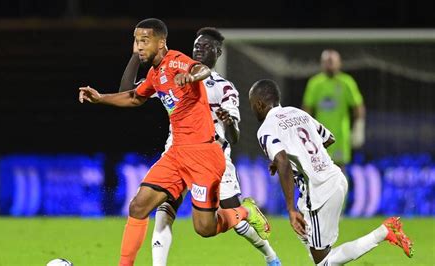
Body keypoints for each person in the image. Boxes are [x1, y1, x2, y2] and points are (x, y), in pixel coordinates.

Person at [78, 18, 270, 266]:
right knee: (138, 206)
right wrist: (100, 98)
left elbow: (203, 70)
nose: (138, 46)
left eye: (144, 41)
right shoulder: (155, 73)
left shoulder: (177, 61)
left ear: (161, 43)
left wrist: (191, 77)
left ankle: (244, 211)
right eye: (136, 41)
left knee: (205, 228)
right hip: (177, 154)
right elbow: (135, 97)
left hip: (204, 154)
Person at [249, 79, 413, 265]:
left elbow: (283, 162)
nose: (252, 110)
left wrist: (290, 208)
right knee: (312, 246)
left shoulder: (266, 128)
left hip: (320, 191)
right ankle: (382, 233)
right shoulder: (298, 113)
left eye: (252, 105)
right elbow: (328, 138)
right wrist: (297, 159)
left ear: (260, 104)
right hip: (333, 177)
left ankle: (384, 231)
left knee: (324, 262)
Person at [302, 49, 366, 174]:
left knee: (339, 171)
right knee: (319, 170)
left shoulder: (346, 82)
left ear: (339, 63)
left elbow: (358, 106)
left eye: (332, 61)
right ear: (321, 64)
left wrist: (359, 128)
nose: (329, 64)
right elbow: (307, 108)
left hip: (340, 137)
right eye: (326, 61)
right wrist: (306, 131)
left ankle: (342, 194)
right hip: (319, 137)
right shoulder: (315, 83)